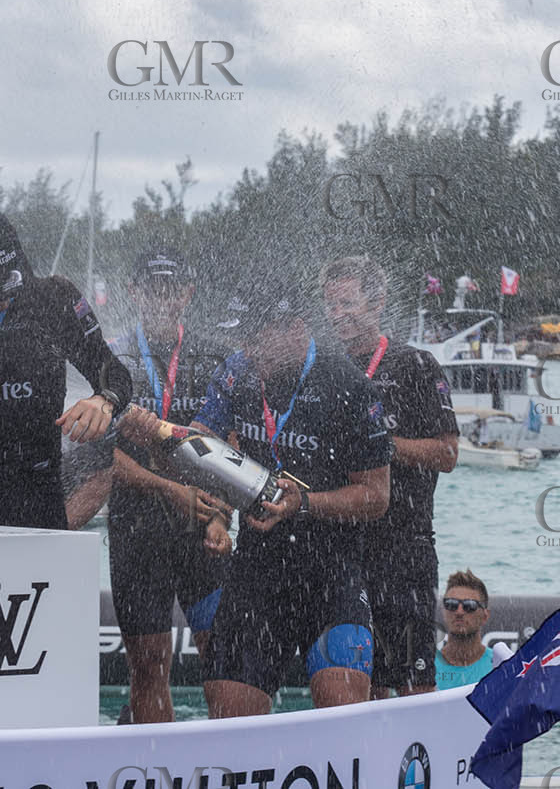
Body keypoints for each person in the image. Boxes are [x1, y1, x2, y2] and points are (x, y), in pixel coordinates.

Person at [123, 278, 392, 717]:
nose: (248, 349)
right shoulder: (237, 372)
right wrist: (155, 438)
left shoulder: (348, 386)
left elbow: (376, 497)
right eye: (243, 336)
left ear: (295, 329)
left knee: (342, 716)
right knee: (230, 726)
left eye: (256, 336)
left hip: (331, 575)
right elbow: (200, 449)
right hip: (257, 574)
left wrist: (303, 504)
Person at [0, 210, 130, 530]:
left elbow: (113, 372)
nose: (4, 295)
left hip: (35, 493)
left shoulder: (52, 297)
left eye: (9, 278)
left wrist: (104, 400)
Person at [322, 255, 458, 699]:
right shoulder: (323, 369)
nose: (336, 314)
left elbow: (448, 453)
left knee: (414, 687)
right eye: (330, 304)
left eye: (346, 302)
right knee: (365, 686)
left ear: (377, 301)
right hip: (342, 547)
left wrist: (382, 444)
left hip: (405, 546)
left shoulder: (415, 365)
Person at [104, 250, 228, 723]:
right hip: (138, 529)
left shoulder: (213, 357)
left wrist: (220, 513)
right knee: (149, 669)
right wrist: (169, 489)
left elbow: (230, 443)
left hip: (202, 524)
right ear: (134, 294)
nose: (161, 298)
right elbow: (101, 456)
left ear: (186, 296)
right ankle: (155, 767)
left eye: (171, 289)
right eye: (152, 289)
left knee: (222, 662)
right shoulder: (112, 357)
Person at [437, 570, 511, 688]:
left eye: (469, 606)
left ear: (485, 616)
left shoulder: (500, 667)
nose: (459, 612)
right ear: (443, 611)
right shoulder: (427, 667)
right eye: (451, 604)